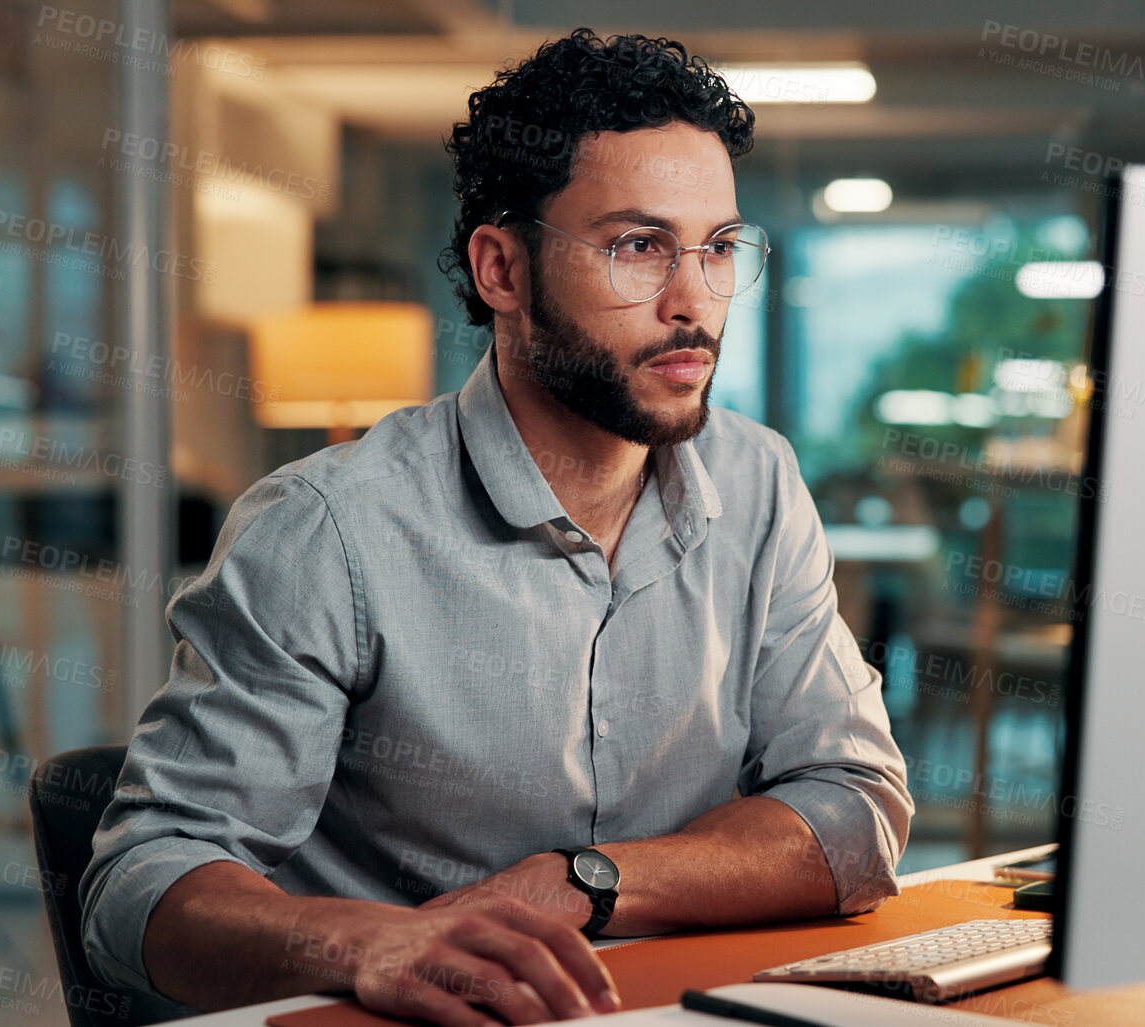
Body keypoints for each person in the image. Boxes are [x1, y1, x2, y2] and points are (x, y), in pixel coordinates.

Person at [80, 27, 912, 1026]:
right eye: (638, 247)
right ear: (502, 271)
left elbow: (855, 808)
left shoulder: (759, 481)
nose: (694, 302)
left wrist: (582, 882)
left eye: (719, 247)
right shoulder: (327, 530)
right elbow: (139, 887)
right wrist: (371, 943)